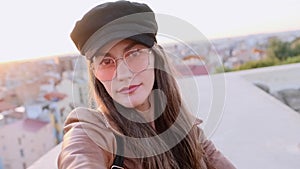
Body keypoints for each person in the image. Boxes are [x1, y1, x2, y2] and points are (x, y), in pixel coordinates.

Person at [57, 1, 236, 169]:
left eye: (134, 53)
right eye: (106, 61)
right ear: (95, 73)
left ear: (155, 58)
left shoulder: (187, 129)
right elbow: (78, 156)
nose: (124, 75)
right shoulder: (92, 129)